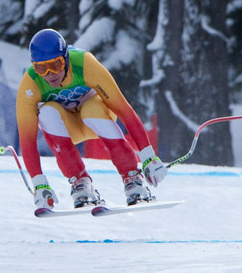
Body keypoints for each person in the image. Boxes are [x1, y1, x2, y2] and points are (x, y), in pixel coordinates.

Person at [16, 29, 167, 209]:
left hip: (97, 119)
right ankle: (80, 183)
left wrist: (148, 156)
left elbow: (125, 111)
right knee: (46, 112)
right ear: (34, 66)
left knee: (91, 108)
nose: (50, 74)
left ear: (66, 58)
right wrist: (39, 183)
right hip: (68, 129)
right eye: (41, 68)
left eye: (56, 65)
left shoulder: (84, 64)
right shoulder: (30, 84)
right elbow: (27, 141)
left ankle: (132, 178)